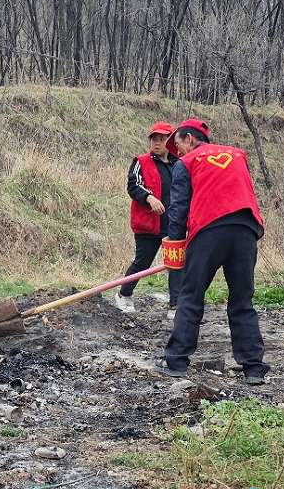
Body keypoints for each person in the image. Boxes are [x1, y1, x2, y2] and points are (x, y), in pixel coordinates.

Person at [154, 118, 269, 385]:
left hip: (208, 231)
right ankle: (253, 368)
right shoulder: (237, 155)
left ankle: (176, 361)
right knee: (242, 300)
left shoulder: (188, 162)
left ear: (189, 139)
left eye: (178, 146)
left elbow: (179, 207)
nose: (177, 153)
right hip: (246, 230)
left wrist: (174, 243)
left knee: (191, 296)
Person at [115, 121, 181, 316]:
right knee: (142, 262)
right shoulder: (141, 162)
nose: (157, 143)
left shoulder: (179, 164)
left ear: (171, 142)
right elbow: (133, 185)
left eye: (162, 139)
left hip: (173, 224)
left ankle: (175, 305)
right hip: (149, 224)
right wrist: (149, 198)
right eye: (154, 139)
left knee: (176, 265)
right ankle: (124, 295)